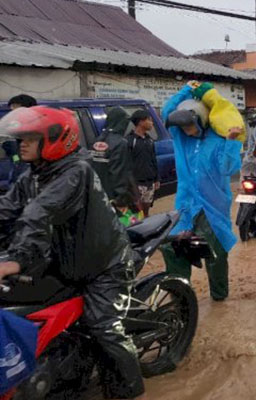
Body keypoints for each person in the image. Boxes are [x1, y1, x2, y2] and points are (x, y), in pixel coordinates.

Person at [0, 106, 145, 399]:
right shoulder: (33, 174)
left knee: (104, 327)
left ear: (54, 139)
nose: (21, 144)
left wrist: (16, 259)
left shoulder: (75, 171)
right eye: (20, 139)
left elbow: (37, 214)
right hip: (63, 260)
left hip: (103, 266)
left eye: (29, 138)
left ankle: (133, 389)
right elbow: (7, 209)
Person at [160, 82, 242, 302]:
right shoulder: (180, 139)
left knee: (214, 251)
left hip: (213, 206)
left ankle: (219, 296)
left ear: (202, 120)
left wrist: (231, 143)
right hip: (186, 205)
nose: (188, 131)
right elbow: (166, 112)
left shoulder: (217, 141)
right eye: (184, 127)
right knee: (172, 246)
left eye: (191, 126)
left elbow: (229, 169)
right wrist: (187, 89)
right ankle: (180, 295)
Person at [90, 107, 134, 208]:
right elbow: (119, 172)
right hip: (113, 199)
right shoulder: (120, 143)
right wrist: (121, 198)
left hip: (96, 195)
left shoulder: (96, 140)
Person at [129, 109, 160, 217]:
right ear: (141, 122)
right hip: (136, 184)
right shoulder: (130, 141)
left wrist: (156, 179)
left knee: (146, 210)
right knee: (136, 211)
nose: (152, 123)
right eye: (149, 120)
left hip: (149, 182)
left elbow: (153, 159)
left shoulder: (149, 140)